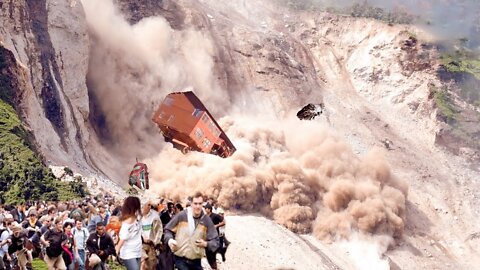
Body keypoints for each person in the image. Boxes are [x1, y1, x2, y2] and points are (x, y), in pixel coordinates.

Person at [164, 192, 219, 270]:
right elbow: (167, 230)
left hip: (196, 262)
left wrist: (206, 244)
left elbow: (216, 241)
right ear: (191, 204)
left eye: (200, 204)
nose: (198, 206)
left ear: (203, 204)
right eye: (195, 203)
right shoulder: (182, 216)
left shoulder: (206, 220)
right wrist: (170, 240)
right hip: (180, 260)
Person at [115, 196, 142, 270]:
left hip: (138, 250)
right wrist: (117, 250)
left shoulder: (138, 217)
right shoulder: (128, 221)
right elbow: (123, 238)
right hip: (128, 251)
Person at [140, 202, 162, 270]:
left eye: (149, 205)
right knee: (142, 262)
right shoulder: (138, 216)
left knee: (151, 265)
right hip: (140, 244)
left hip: (151, 245)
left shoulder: (155, 216)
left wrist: (155, 242)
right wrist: (142, 236)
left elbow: (159, 230)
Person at [204, 204, 225, 270]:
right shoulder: (205, 217)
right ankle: (213, 267)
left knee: (212, 255)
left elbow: (223, 222)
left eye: (206, 208)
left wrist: (216, 225)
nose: (205, 209)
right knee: (208, 255)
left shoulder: (215, 216)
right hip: (207, 239)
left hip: (214, 238)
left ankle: (215, 267)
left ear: (209, 209)